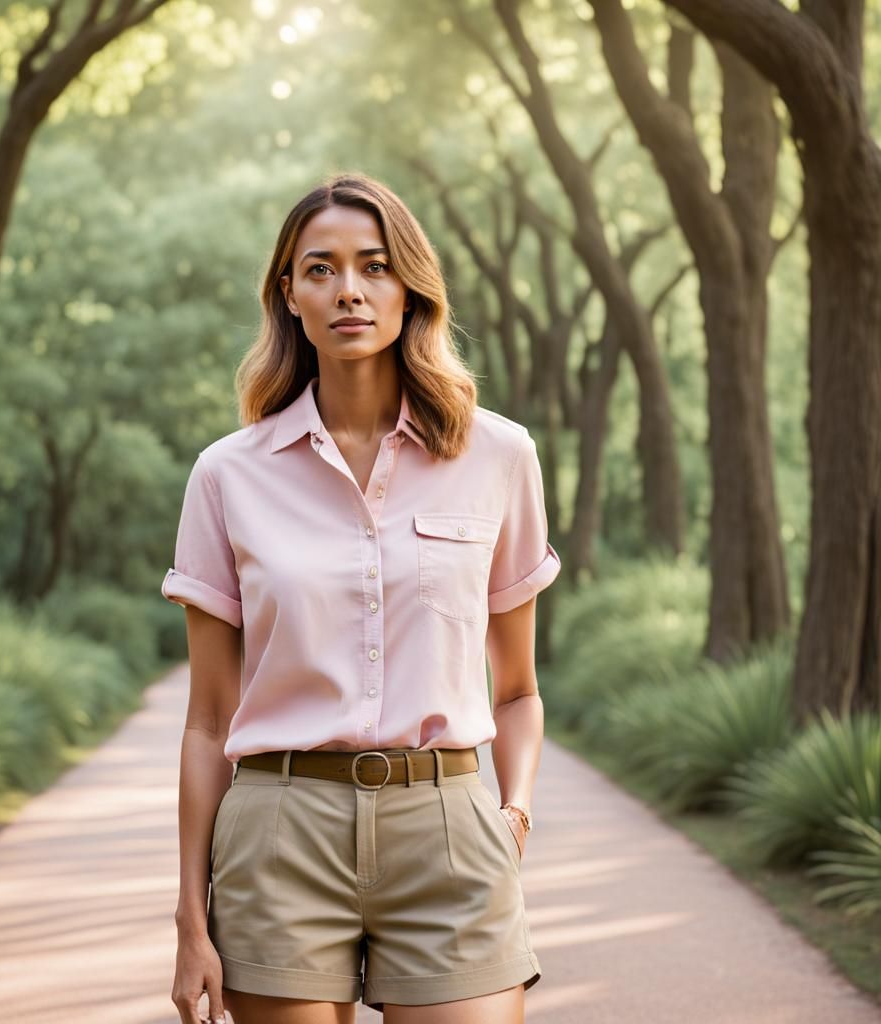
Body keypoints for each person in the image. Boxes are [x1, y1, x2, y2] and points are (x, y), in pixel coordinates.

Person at [163, 172, 561, 1024]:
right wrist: (191, 918)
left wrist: (512, 814)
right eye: (321, 269)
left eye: (374, 266)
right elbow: (207, 720)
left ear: (410, 287)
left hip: (449, 832)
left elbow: (519, 688)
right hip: (279, 833)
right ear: (290, 295)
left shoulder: (500, 456)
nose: (349, 290)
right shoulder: (227, 474)